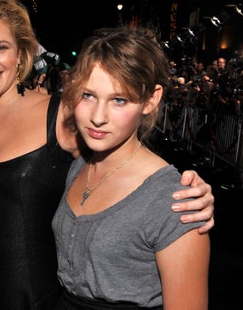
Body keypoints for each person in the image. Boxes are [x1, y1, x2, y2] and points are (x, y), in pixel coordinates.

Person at [0, 0, 214, 309]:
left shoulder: (62, 115)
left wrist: (190, 190)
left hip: (38, 299)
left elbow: (126, 157)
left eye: (1, 47)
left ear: (21, 54)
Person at [52, 26, 210, 309]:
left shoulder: (177, 202)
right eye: (88, 95)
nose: (97, 117)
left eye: (119, 100)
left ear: (151, 99)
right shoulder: (78, 164)